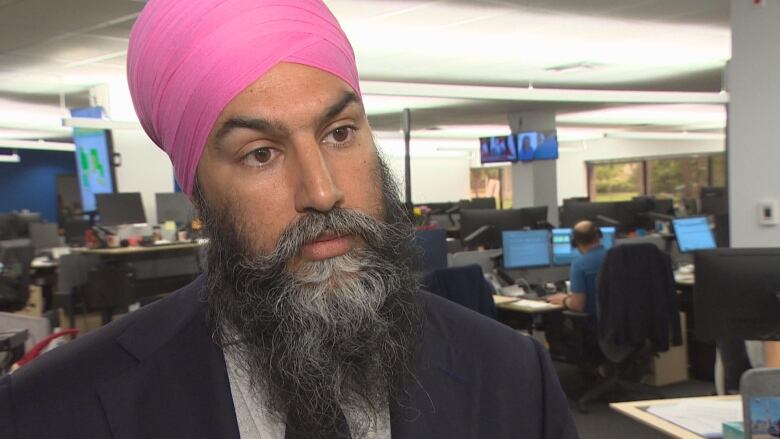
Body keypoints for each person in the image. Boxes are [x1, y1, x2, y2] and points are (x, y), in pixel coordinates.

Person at [0, 1, 578, 438]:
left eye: (340, 133)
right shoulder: (47, 411)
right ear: (198, 196)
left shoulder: (512, 374)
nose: (323, 191)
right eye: (261, 153)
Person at [546, 221, 606, 321]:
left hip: (595, 324)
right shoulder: (616, 258)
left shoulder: (579, 265)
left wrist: (564, 300)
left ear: (575, 243)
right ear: (599, 236)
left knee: (553, 321)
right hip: (619, 325)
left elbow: (578, 305)